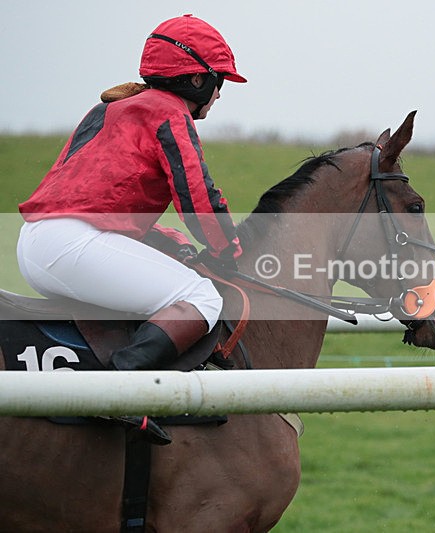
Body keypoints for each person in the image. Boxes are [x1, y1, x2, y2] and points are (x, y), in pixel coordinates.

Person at [16, 14, 246, 444]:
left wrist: (171, 242)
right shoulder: (168, 113)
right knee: (200, 297)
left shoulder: (109, 107)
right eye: (219, 83)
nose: (219, 96)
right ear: (198, 80)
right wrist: (228, 252)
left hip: (35, 243)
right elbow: (198, 196)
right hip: (73, 245)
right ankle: (117, 391)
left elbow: (98, 200)